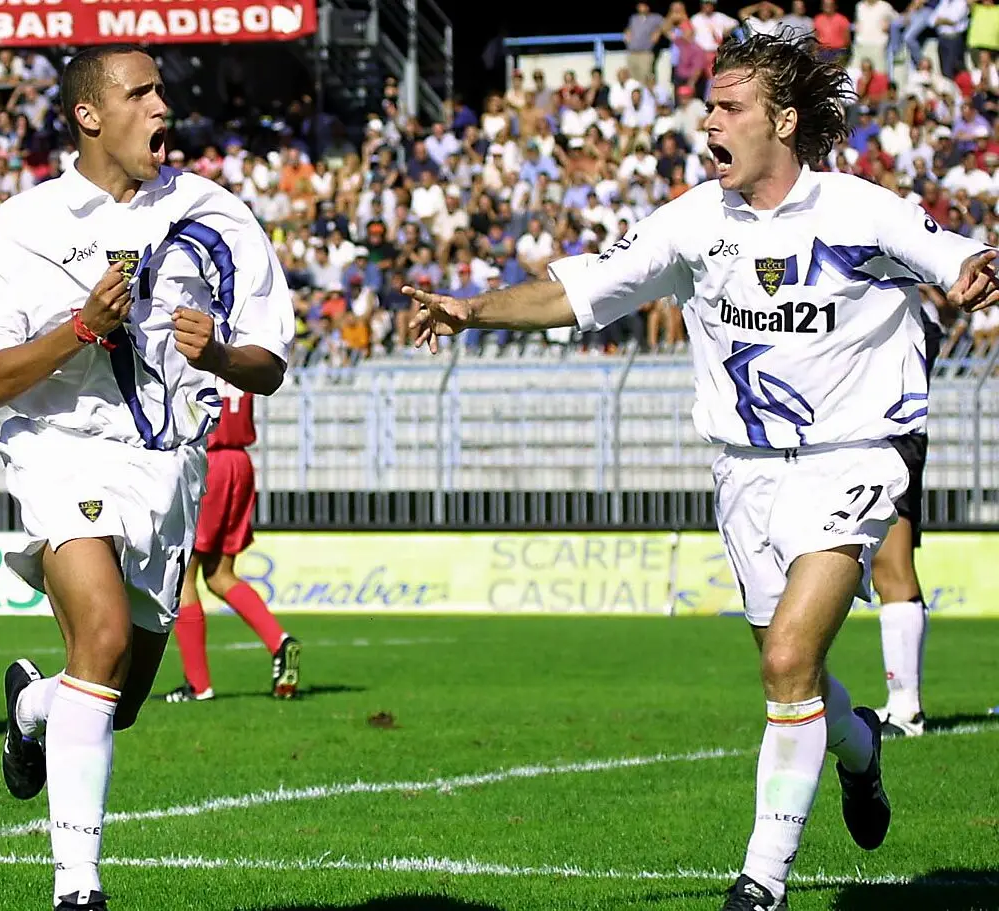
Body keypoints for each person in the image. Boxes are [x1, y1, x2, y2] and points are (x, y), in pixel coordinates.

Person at [404, 34, 998, 911]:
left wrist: (973, 274)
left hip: (853, 458)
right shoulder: (694, 220)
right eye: (708, 105)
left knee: (792, 655)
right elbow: (582, 290)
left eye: (728, 107)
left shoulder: (862, 210)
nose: (707, 121)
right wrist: (472, 309)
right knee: (790, 671)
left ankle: (762, 880)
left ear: (783, 122)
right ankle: (860, 746)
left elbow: (956, 258)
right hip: (744, 475)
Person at [0, 46, 293, 911]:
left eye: (161, 92)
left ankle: (32, 708)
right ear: (89, 114)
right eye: (140, 93)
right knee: (101, 638)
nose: (161, 109)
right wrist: (80, 327)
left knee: (117, 696)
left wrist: (215, 351)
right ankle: (79, 888)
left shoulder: (213, 212)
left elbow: (270, 363)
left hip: (170, 467)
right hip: (60, 446)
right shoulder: (26, 223)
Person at [164, 383, 301, 703]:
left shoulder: (197, 348)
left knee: (185, 575)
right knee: (219, 574)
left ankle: (198, 685)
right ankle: (279, 641)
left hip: (207, 463)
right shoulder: (238, 350)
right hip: (240, 464)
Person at [870, 296, 944, 739]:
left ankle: (907, 708)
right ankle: (902, 703)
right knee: (884, 569)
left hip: (891, 437)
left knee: (891, 566)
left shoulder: (904, 300)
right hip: (867, 437)